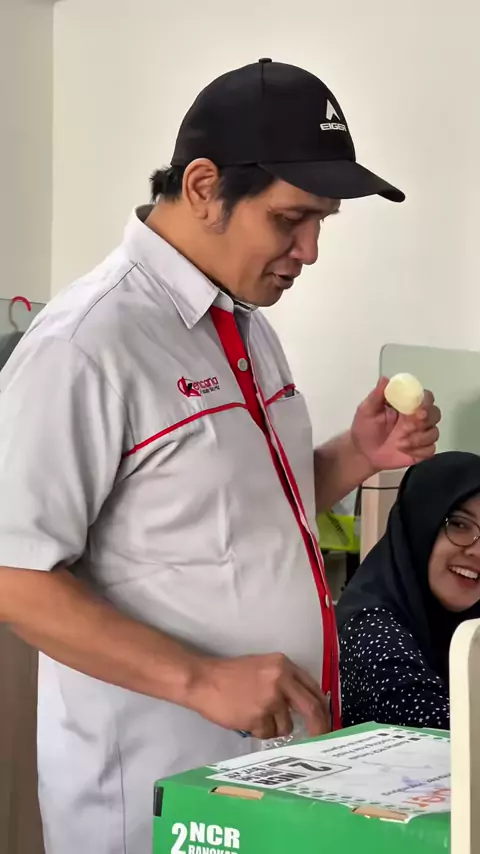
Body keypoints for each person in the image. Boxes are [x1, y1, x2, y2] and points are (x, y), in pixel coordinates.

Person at [0, 59, 440, 853]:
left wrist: (356, 453)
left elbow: (236, 510)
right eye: (291, 219)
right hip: (152, 796)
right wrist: (201, 679)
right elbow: (14, 574)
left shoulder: (243, 323)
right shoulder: (87, 344)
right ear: (205, 187)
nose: (310, 250)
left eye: (322, 224)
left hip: (263, 785)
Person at [337, 451, 480, 731]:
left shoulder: (469, 622)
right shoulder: (370, 629)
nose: (477, 551)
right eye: (459, 525)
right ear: (420, 525)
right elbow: (447, 732)